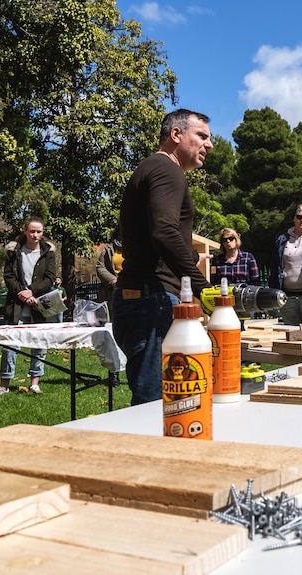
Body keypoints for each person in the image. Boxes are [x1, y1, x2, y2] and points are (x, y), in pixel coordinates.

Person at [112, 108, 214, 405]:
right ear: (176, 135)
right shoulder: (166, 169)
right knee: (157, 405)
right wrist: (201, 286)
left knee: (158, 401)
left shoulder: (152, 168)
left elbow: (159, 232)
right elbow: (165, 231)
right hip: (152, 302)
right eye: (202, 136)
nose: (209, 145)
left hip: (141, 301)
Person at [0, 216, 57, 398]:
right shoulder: (13, 250)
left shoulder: (48, 251)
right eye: (32, 231)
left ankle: (35, 383)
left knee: (39, 345)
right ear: (25, 231)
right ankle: (4, 385)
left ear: (43, 233)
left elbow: (49, 278)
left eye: (39, 231)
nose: (35, 235)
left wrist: (31, 292)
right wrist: (22, 293)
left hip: (39, 305)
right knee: (10, 345)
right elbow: (9, 277)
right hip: (16, 305)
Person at [96, 228, 123, 305]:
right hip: (113, 292)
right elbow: (100, 267)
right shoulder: (108, 249)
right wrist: (113, 281)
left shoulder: (136, 247)